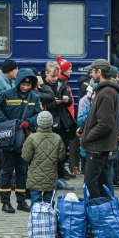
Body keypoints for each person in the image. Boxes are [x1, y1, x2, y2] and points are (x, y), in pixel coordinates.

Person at [0, 68, 41, 213]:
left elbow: (38, 114)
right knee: (7, 170)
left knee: (22, 170)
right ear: (18, 83)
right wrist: (5, 121)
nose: (25, 87)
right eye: (23, 84)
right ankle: (5, 202)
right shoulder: (7, 94)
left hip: (24, 139)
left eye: (28, 85)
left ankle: (21, 201)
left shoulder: (34, 97)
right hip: (8, 139)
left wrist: (28, 122)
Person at [78, 59, 119, 199]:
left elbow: (105, 123)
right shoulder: (104, 91)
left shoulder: (106, 93)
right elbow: (96, 118)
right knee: (101, 183)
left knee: (91, 183)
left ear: (99, 72)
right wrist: (84, 129)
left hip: (97, 147)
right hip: (99, 146)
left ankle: (98, 214)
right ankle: (104, 214)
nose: (90, 74)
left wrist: (87, 137)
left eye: (92, 71)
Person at [21, 111, 66, 208]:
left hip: (35, 178)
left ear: (38, 122)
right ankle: (48, 222)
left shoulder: (31, 138)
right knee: (49, 202)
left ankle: (35, 221)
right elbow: (62, 156)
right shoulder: (57, 138)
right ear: (51, 122)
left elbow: (26, 157)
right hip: (51, 176)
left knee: (35, 203)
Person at [42, 61, 74, 190]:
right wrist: (55, 102)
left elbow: (70, 100)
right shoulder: (41, 85)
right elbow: (42, 104)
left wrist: (66, 100)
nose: (55, 79)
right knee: (47, 153)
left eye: (57, 76)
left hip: (61, 122)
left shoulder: (62, 83)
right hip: (48, 122)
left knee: (61, 151)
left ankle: (60, 178)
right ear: (46, 73)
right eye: (53, 76)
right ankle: (49, 179)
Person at [56, 56, 79, 177]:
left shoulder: (64, 83)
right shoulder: (61, 84)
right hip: (63, 120)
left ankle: (62, 170)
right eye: (69, 69)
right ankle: (60, 172)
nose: (71, 71)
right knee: (62, 146)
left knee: (64, 146)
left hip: (66, 119)